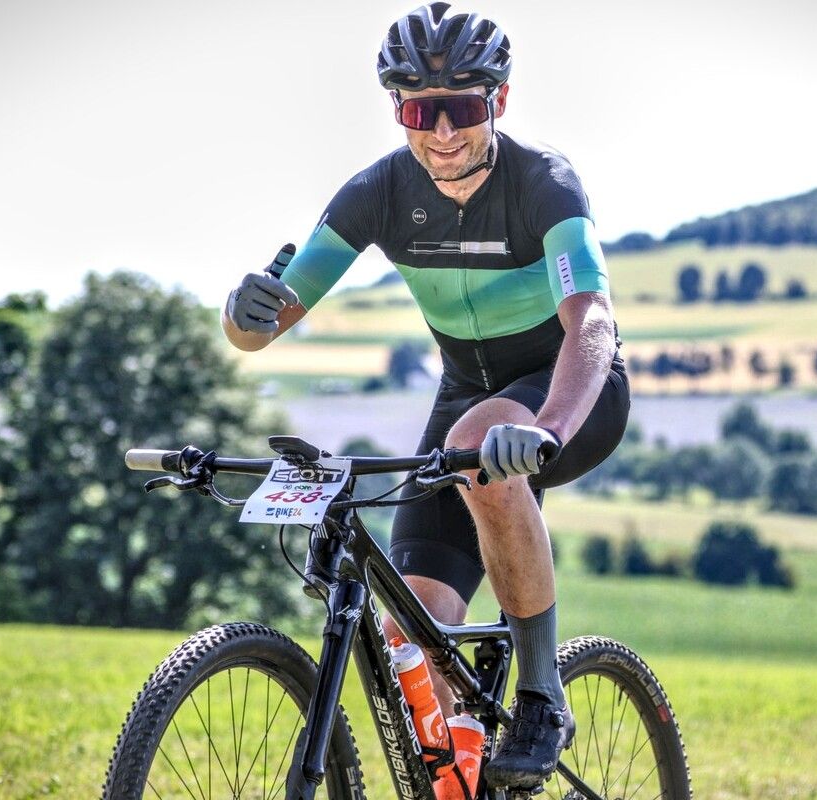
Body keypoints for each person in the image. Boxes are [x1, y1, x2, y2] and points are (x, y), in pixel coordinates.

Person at [221, 2, 629, 790]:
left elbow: (592, 320)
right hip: (465, 401)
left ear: (498, 101)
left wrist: (548, 426)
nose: (441, 132)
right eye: (418, 111)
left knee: (482, 441)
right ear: (396, 110)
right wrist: (243, 314)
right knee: (414, 627)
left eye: (462, 109)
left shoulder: (543, 183)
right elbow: (263, 328)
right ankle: (462, 775)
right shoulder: (377, 191)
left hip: (570, 393)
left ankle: (542, 695)